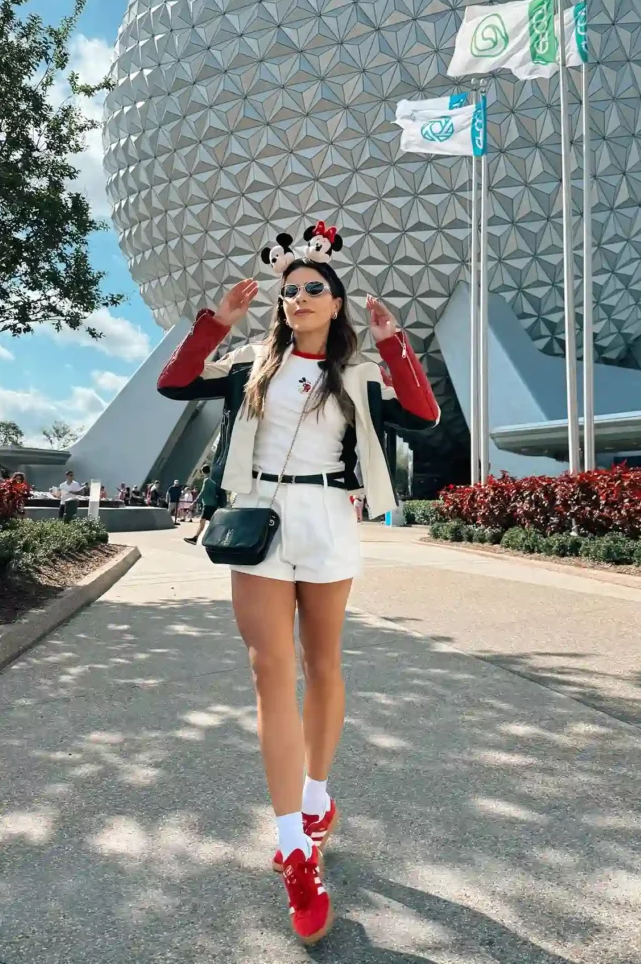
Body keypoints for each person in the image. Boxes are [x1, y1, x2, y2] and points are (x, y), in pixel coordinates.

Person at [157, 222, 439, 944]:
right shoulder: (252, 361)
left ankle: (317, 797)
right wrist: (215, 322)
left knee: (322, 664)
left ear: (336, 300)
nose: (299, 298)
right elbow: (175, 382)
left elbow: (423, 415)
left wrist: (393, 341)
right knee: (269, 673)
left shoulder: (357, 372)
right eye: (289, 291)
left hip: (326, 516)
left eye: (314, 288)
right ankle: (292, 848)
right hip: (258, 515)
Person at [183, 464, 217, 546]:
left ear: (202, 471)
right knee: (210, 522)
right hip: (212, 504)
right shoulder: (212, 481)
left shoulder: (207, 481)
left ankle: (196, 538)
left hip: (208, 505)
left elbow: (202, 492)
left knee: (203, 521)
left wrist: (194, 502)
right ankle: (198, 538)